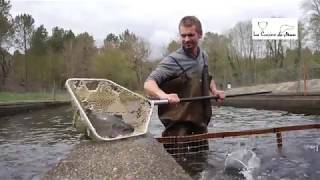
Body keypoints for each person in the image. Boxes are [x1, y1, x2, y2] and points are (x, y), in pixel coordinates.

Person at [144, 16, 225, 154]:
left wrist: (215, 90)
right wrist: (164, 95)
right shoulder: (172, 60)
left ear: (200, 34)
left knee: (201, 168)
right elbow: (148, 84)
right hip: (177, 132)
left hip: (200, 126)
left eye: (190, 35)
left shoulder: (203, 56)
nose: (186, 39)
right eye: (183, 35)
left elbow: (207, 77)